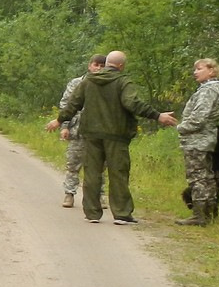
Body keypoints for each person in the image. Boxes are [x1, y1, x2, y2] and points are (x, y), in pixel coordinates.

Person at [57, 49, 177, 224]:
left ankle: (92, 213)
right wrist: (158, 116)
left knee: (92, 172)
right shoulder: (123, 82)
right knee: (118, 173)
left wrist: (60, 120)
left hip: (91, 134)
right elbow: (132, 103)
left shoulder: (88, 81)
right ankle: (121, 213)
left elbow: (73, 103)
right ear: (121, 65)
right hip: (116, 134)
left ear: (106, 64)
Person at [45, 54, 105, 207]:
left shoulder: (107, 84)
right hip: (77, 129)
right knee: (73, 163)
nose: (98, 68)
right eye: (96, 65)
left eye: (102, 65)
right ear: (89, 65)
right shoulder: (77, 83)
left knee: (99, 165)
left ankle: (99, 195)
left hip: (99, 130)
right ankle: (69, 193)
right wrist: (64, 126)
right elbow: (67, 105)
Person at [174, 57, 219, 226]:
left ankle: (200, 216)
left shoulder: (208, 91)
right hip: (206, 139)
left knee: (198, 178)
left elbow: (199, 118)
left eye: (199, 69)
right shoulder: (212, 89)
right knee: (206, 177)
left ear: (211, 70)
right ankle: (209, 214)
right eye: (195, 69)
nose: (195, 72)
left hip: (198, 140)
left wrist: (181, 127)